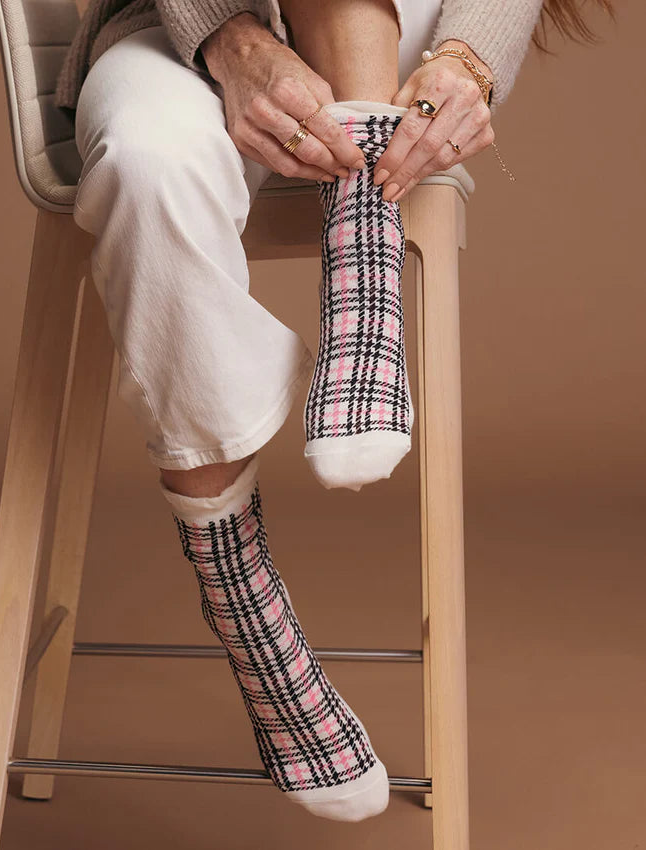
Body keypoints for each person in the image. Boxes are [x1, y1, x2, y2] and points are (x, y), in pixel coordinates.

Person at [54, 0, 614, 822]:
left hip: (391, 35)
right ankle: (239, 594)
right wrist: (227, 36)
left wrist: (469, 59)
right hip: (172, 29)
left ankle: (363, 266)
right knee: (146, 167)